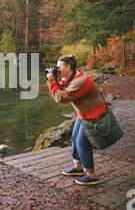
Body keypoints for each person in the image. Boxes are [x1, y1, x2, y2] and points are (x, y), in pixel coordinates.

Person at [46, 55, 107, 186]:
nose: (57, 69)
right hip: (84, 112)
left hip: (93, 114)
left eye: (59, 67)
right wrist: (55, 78)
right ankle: (78, 167)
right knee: (74, 137)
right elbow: (62, 85)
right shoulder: (74, 74)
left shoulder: (79, 82)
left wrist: (51, 81)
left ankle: (91, 175)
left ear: (67, 67)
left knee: (82, 143)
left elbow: (60, 98)